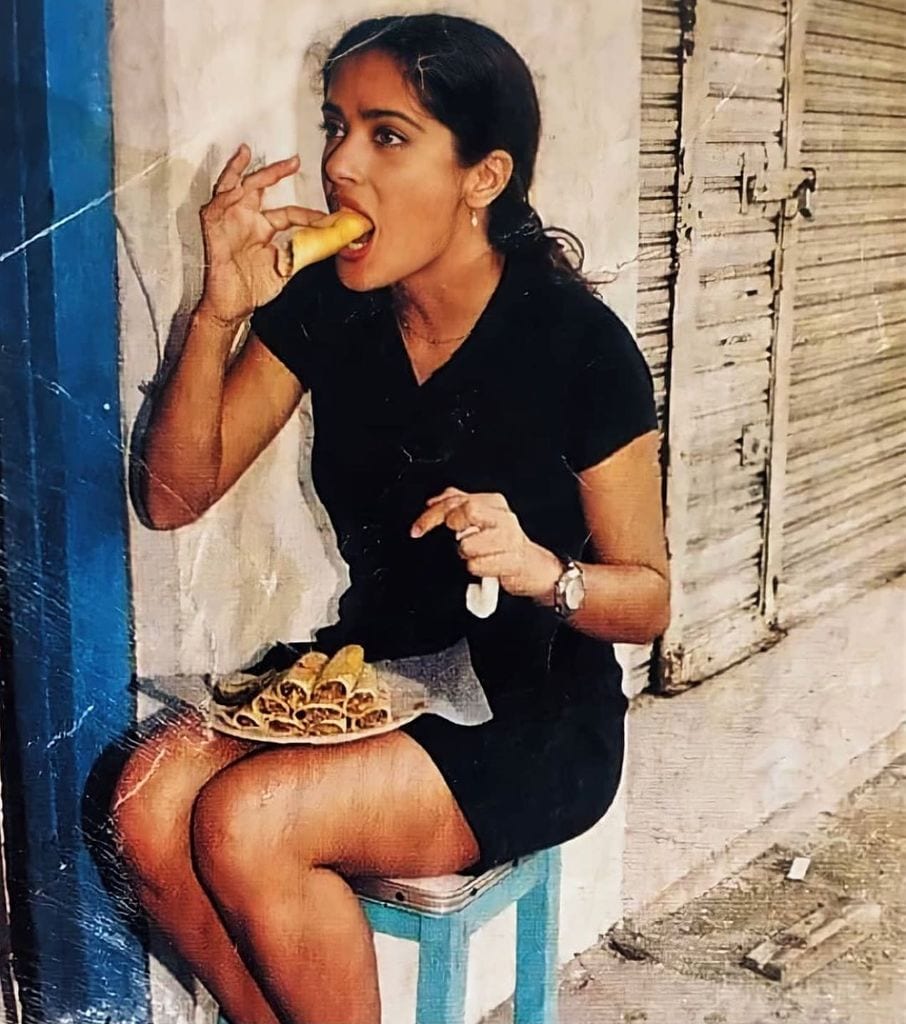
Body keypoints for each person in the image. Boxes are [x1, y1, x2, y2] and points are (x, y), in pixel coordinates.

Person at [111, 13, 670, 1024]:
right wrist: (217, 314)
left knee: (249, 820)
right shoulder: (331, 303)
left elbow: (650, 601)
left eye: (386, 134)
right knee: (146, 801)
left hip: (533, 711)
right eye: (335, 127)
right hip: (376, 676)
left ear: (483, 177)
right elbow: (172, 498)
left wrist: (548, 570)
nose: (339, 165)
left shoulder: (577, 344)